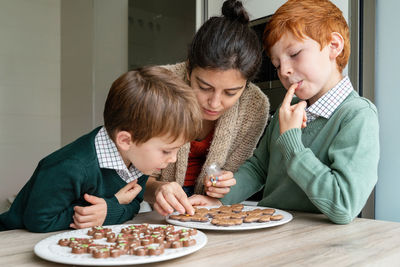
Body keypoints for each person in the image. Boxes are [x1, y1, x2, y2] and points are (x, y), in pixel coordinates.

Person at [190, 0, 380, 224]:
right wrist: (221, 200)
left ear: (334, 46)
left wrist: (292, 142)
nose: (285, 71)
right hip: (274, 228)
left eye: (295, 54)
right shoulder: (286, 109)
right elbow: (259, 168)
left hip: (321, 244)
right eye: (277, 64)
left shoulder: (357, 115)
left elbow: (343, 206)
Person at [0, 66, 202, 232]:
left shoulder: (136, 160)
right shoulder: (71, 167)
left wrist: (110, 210)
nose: (173, 159)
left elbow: (132, 204)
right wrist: (110, 206)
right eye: (167, 151)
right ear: (125, 140)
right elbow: (38, 221)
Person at [144, 0, 270, 216]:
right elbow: (126, 169)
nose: (214, 103)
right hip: (157, 205)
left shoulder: (255, 106)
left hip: (211, 208)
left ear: (246, 86)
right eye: (204, 87)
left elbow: (243, 172)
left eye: (231, 93)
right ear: (189, 67)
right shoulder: (158, 88)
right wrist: (156, 189)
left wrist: (225, 185)